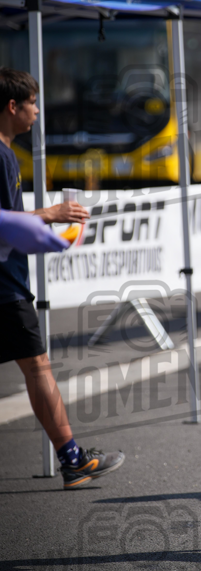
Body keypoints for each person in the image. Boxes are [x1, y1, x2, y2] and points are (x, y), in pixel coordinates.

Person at [0, 68, 125, 489]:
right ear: (12, 107)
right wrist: (50, 216)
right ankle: (72, 460)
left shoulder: (7, 152)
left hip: (9, 282)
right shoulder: (1, 154)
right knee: (38, 367)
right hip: (5, 287)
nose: (37, 111)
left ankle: (72, 459)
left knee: (37, 367)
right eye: (32, 103)